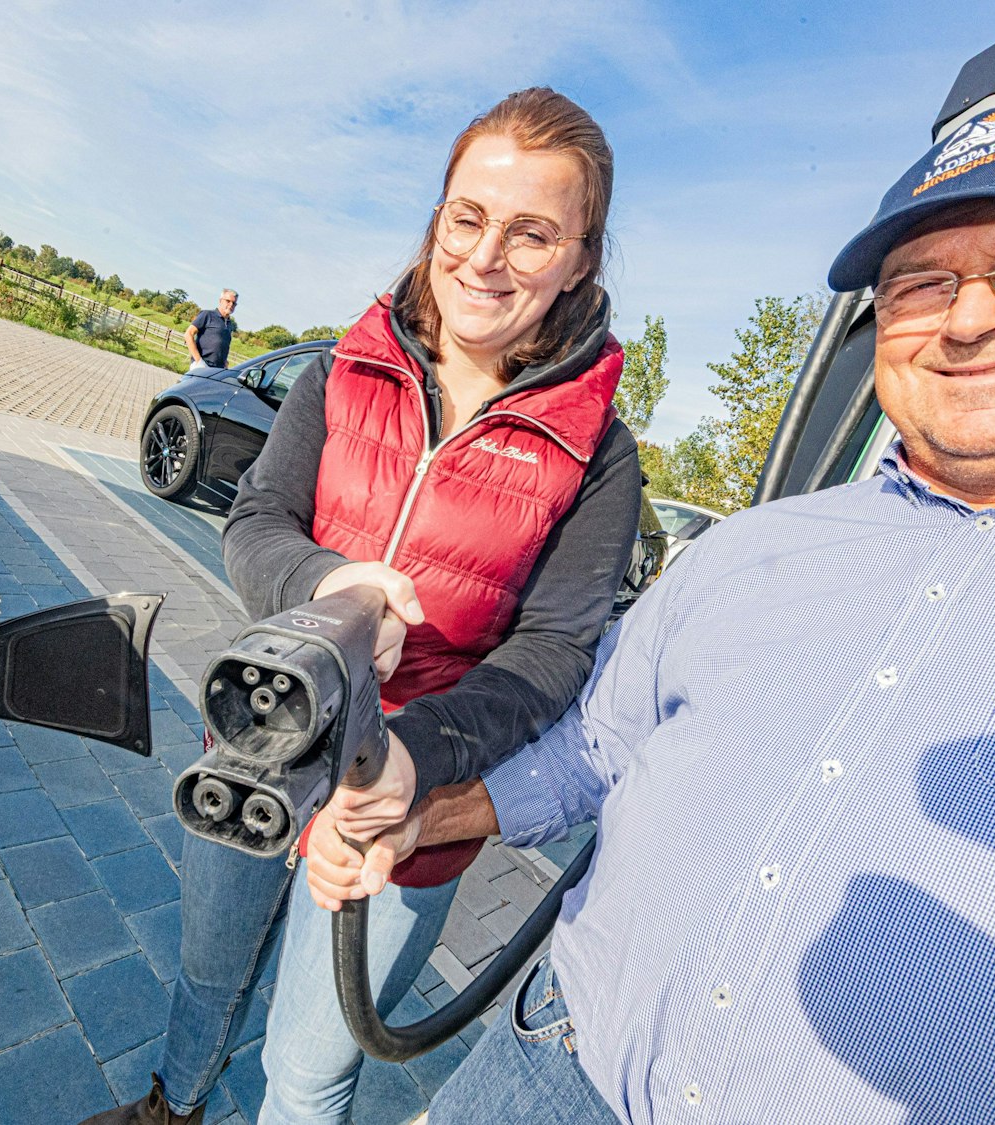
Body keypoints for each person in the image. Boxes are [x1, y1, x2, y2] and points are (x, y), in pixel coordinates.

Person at [313, 91, 995, 1124]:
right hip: (551, 1070)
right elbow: (600, 743)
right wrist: (426, 816)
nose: (970, 316)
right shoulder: (755, 549)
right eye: (917, 283)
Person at [79, 88, 642, 1125]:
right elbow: (257, 520)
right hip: (259, 740)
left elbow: (557, 647)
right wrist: (324, 585)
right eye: (467, 218)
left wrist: (413, 762)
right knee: (207, 976)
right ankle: (170, 1106)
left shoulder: (595, 452)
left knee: (309, 1067)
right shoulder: (347, 366)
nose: (484, 257)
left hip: (408, 808)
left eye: (532, 234)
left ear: (578, 261)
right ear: (436, 222)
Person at [187, 290, 239, 370]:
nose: (231, 304)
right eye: (228, 301)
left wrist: (225, 362)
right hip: (202, 366)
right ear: (220, 301)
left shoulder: (229, 323)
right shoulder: (207, 315)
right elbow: (188, 334)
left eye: (234, 303)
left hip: (217, 370)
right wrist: (198, 361)